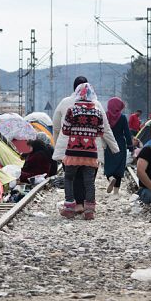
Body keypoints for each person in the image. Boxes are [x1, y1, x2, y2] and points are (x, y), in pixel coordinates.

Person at [53, 83, 118, 220]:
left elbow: (65, 130)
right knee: (89, 182)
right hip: (90, 153)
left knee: (69, 178)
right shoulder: (97, 111)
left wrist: (77, 132)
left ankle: (70, 208)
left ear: (76, 94)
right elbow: (101, 131)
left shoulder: (72, 110)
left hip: (73, 151)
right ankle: (89, 211)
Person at [52, 76, 92, 213]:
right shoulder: (95, 103)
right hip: (90, 149)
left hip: (68, 148)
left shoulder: (65, 103)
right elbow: (103, 128)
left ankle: (72, 205)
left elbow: (57, 127)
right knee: (86, 178)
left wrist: (57, 146)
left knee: (70, 177)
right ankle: (85, 205)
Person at [104, 97, 137, 196]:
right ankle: (116, 192)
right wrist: (131, 147)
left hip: (109, 143)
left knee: (108, 164)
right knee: (119, 167)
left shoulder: (105, 116)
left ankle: (110, 178)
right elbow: (127, 133)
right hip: (120, 144)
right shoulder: (122, 117)